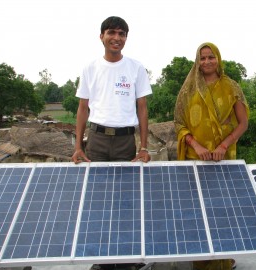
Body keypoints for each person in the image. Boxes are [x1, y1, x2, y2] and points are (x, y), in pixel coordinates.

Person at [71, 16, 152, 270]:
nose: (117, 37)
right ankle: (104, 259)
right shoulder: (90, 68)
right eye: (111, 32)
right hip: (96, 141)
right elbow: (83, 108)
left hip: (125, 141)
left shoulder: (136, 68)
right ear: (101, 36)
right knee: (99, 200)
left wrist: (143, 146)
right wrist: (78, 147)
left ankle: (127, 257)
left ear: (126, 38)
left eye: (122, 33)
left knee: (125, 201)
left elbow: (142, 109)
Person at [174, 42, 249, 270]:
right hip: (194, 158)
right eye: (202, 58)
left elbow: (243, 123)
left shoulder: (231, 87)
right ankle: (202, 259)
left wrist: (224, 146)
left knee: (220, 210)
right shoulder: (188, 89)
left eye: (211, 57)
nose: (207, 62)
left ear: (218, 59)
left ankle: (222, 259)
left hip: (222, 159)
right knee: (197, 212)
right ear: (197, 61)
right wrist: (195, 145)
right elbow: (179, 123)